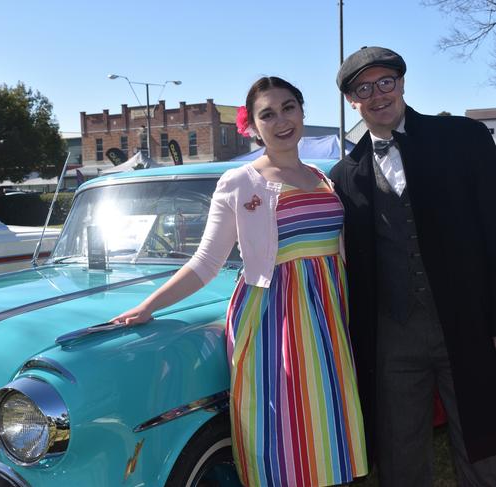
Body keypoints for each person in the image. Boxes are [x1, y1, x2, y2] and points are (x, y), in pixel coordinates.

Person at [113, 76, 368, 487]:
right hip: (274, 320)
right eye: (268, 114)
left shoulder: (327, 179)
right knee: (282, 433)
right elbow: (206, 261)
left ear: (302, 111)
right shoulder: (239, 181)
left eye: (289, 108)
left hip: (327, 318)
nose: (281, 120)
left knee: (325, 423)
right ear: (253, 126)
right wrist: (150, 305)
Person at [330, 46, 496, 486]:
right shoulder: (345, 174)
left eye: (386, 81)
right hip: (392, 339)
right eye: (363, 88)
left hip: (467, 323)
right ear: (351, 100)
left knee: (484, 448)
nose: (377, 94)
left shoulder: (463, 138)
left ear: (402, 83)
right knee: (400, 457)